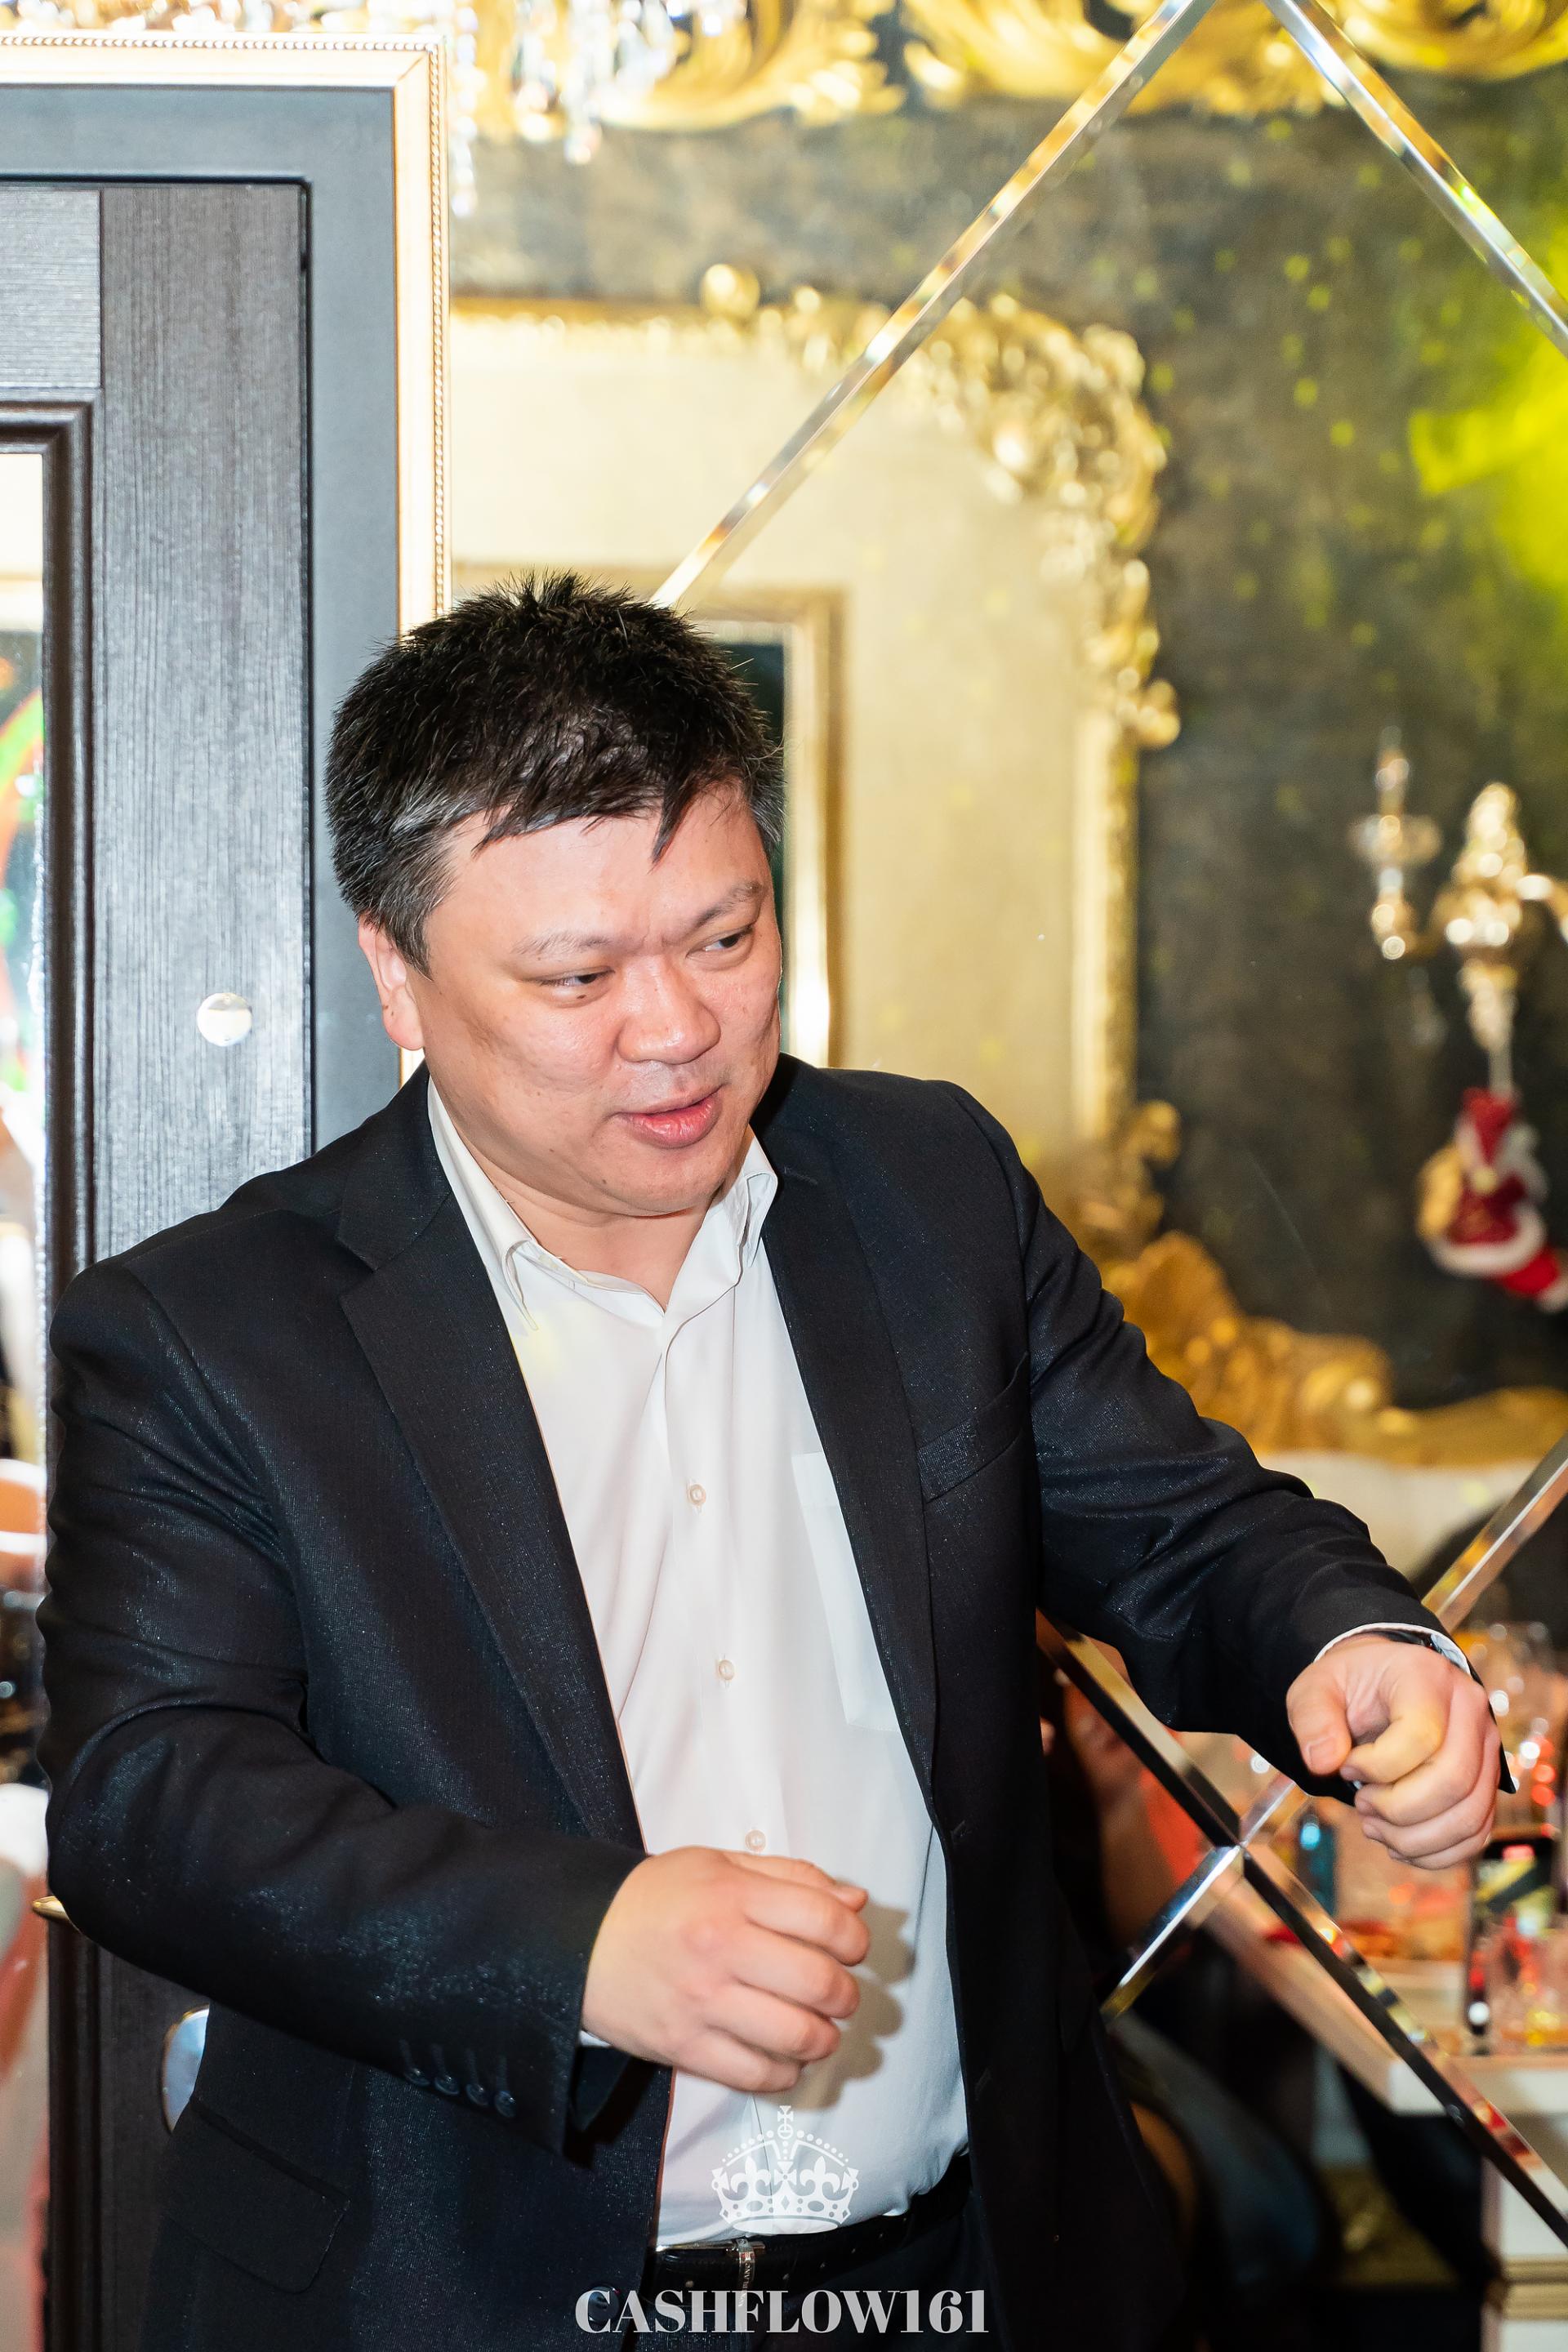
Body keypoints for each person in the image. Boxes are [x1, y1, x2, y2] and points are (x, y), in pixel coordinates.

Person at [38, 575, 1503, 2352]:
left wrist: (1351, 1643)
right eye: (577, 976)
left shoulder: (925, 1191)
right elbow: (152, 1797)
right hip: (452, 2299)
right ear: (398, 975)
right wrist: (579, 1947)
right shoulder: (212, 1332)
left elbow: (1180, 1525)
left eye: (725, 939)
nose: (675, 1029)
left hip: (964, 2273)